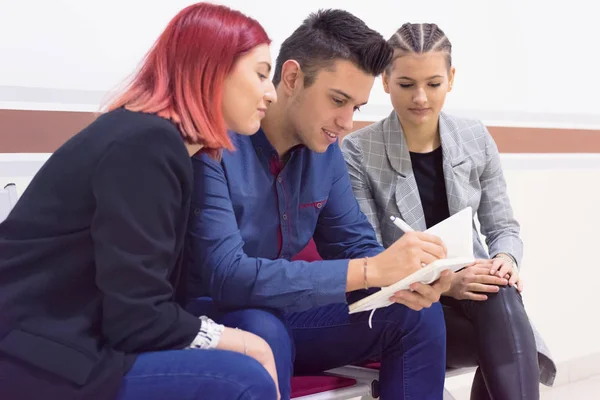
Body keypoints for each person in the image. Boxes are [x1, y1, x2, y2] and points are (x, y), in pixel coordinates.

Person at [0, 3, 281, 400]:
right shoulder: (146, 145)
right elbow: (136, 318)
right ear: (212, 68)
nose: (270, 94)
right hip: (42, 352)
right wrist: (246, 345)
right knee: (242, 375)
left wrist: (249, 338)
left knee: (264, 329)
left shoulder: (159, 141)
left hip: (86, 332)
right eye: (261, 74)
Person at [185, 10, 453, 400]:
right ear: (292, 78)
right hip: (213, 316)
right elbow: (228, 275)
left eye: (356, 107)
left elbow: (354, 244)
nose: (346, 121)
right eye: (338, 100)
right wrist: (369, 270)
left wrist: (406, 280)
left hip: (289, 316)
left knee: (418, 313)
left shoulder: (326, 154)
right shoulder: (214, 146)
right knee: (264, 328)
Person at [341, 22, 557, 400]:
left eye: (434, 84)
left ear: (451, 79)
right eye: (407, 84)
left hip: (475, 298)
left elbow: (503, 225)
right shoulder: (359, 151)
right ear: (386, 81)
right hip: (406, 304)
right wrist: (447, 283)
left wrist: (505, 260)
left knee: (499, 289)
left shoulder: (474, 137)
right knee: (505, 333)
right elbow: (369, 256)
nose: (421, 97)